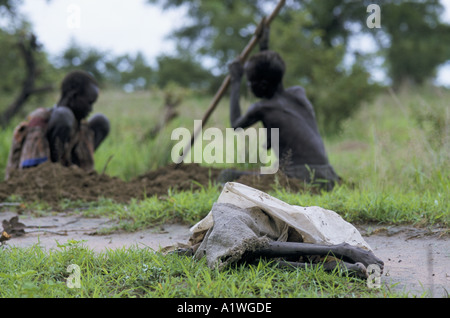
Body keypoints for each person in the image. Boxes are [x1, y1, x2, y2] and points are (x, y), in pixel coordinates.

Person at [225, 28, 340, 190]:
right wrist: (264, 46)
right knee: (264, 171)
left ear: (262, 85)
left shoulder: (263, 107)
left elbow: (236, 125)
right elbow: (269, 70)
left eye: (250, 82)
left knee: (228, 176)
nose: (248, 87)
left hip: (300, 178)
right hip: (327, 176)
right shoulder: (298, 94)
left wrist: (236, 81)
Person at [5, 70, 109, 180]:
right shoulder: (40, 120)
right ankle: (58, 174)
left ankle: (71, 177)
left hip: (66, 185)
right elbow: (30, 172)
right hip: (32, 184)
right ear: (73, 96)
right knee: (64, 116)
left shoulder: (79, 126)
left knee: (101, 121)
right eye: (89, 103)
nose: (91, 109)